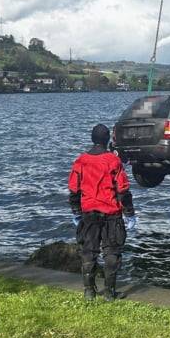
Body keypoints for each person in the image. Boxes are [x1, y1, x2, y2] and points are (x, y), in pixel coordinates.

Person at [68, 124, 137, 301]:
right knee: (112, 252)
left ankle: (89, 291)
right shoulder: (113, 161)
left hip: (89, 213)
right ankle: (109, 292)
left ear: (92, 139)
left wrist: (76, 211)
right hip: (111, 213)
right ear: (107, 140)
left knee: (88, 251)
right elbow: (123, 190)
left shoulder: (81, 161)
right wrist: (129, 214)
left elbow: (74, 190)